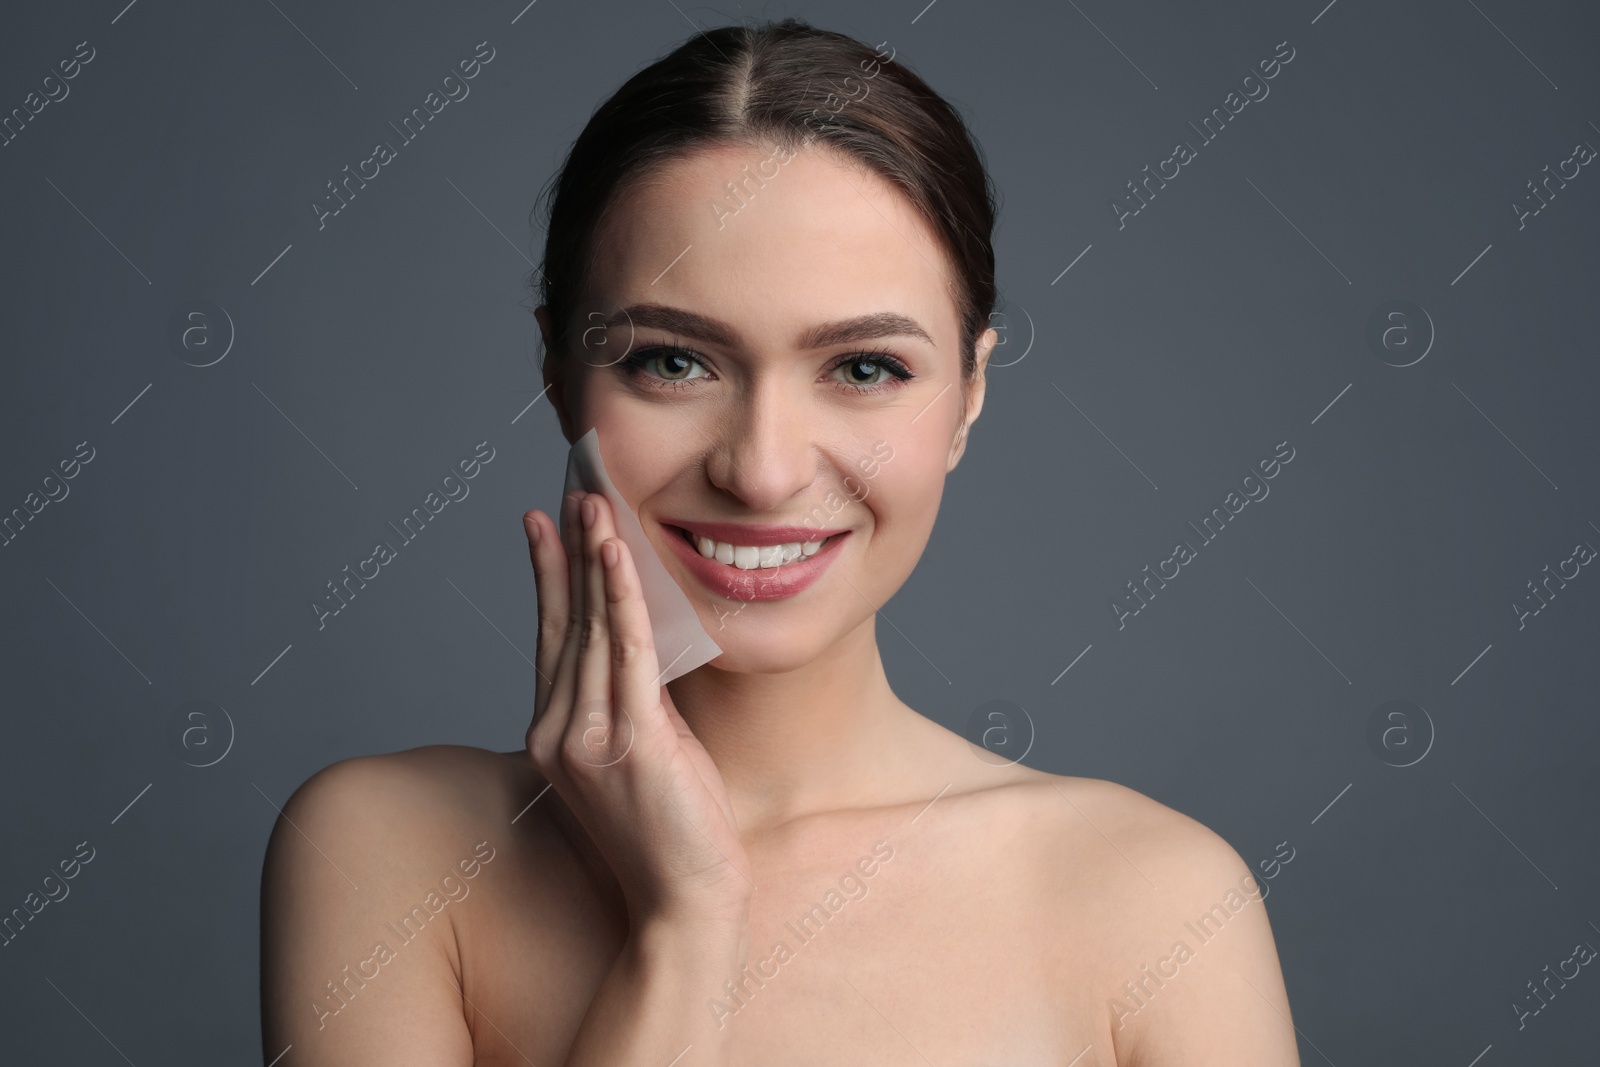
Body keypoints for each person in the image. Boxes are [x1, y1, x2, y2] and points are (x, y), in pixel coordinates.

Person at [260, 18, 1299, 1065]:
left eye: (862, 370)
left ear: (971, 392)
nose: (760, 470)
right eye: (672, 362)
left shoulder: (1155, 902)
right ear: (555, 370)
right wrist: (686, 923)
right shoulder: (385, 854)